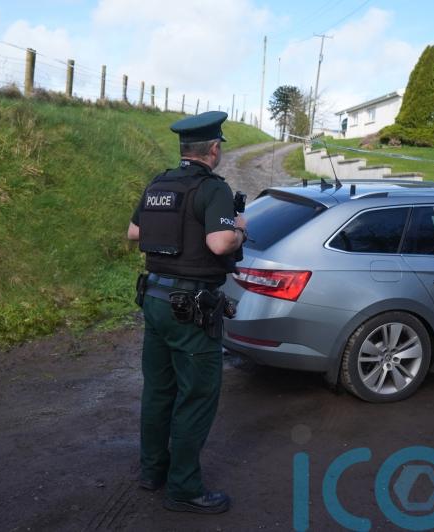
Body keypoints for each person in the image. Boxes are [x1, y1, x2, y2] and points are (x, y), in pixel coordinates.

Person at [126, 111, 246, 515]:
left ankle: (152, 471)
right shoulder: (213, 189)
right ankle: (183, 488)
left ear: (184, 148)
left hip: (154, 300)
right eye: (219, 147)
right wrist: (240, 229)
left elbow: (134, 232)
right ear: (213, 149)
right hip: (191, 309)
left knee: (158, 391)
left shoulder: (158, 184)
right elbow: (219, 244)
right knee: (196, 396)